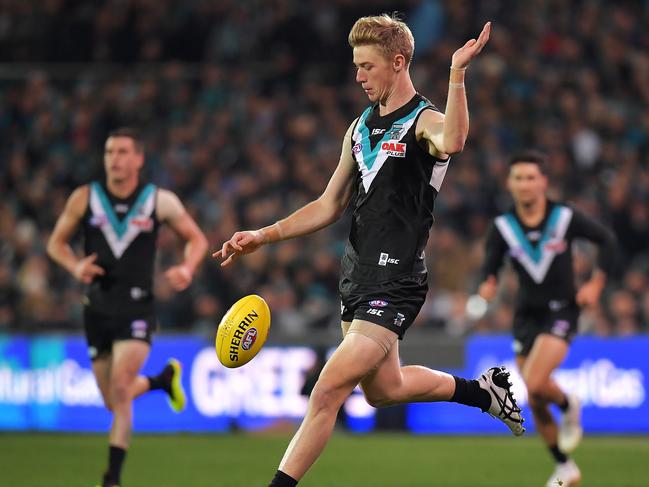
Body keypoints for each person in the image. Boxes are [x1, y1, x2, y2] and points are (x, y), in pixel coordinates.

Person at [218, 15, 524, 487]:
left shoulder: (425, 121)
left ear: (398, 63)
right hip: (357, 276)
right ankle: (484, 394)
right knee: (385, 390)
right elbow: (328, 204)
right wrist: (264, 234)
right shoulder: (359, 128)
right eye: (357, 66)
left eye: (367, 66)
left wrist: (457, 73)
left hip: (398, 279)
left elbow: (456, 140)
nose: (359, 76)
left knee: (327, 391)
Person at [47, 127, 208, 487]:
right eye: (109, 152)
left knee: (120, 389)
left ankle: (112, 478)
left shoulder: (157, 201)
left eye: (122, 152)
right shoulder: (85, 198)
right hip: (97, 308)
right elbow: (55, 244)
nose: (114, 159)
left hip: (138, 308)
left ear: (138, 159)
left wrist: (186, 267)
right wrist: (75, 266)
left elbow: (196, 239)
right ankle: (161, 380)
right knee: (110, 399)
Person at [477, 151, 616, 487]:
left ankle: (570, 404)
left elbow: (606, 240)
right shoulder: (503, 227)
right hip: (526, 315)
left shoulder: (564, 218)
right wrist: (488, 284)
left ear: (544, 182)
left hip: (562, 309)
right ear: (509, 184)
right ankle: (564, 466)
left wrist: (596, 283)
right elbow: (490, 265)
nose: (525, 185)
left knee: (537, 382)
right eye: (518, 178)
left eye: (531, 178)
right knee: (536, 398)